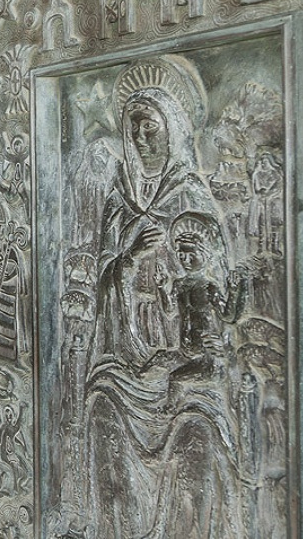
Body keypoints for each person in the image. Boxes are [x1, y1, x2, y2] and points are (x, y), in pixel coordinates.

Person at [79, 55, 249, 538]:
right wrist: (127, 259)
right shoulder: (119, 201)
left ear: (172, 129)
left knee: (198, 426)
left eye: (150, 127)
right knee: (100, 410)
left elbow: (214, 286)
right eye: (133, 129)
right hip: (124, 363)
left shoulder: (190, 195)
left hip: (183, 362)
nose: (141, 138)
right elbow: (101, 281)